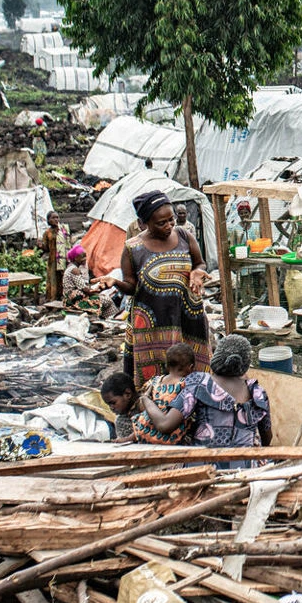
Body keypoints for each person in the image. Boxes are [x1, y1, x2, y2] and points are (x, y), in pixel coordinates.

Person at [111, 190, 211, 385]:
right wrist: (115, 283)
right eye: (161, 223)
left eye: (171, 220)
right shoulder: (133, 248)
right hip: (153, 324)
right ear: (143, 223)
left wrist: (198, 272)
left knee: (194, 374)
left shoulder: (184, 235)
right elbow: (131, 287)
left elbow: (199, 263)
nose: (168, 226)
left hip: (188, 318)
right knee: (155, 376)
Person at [178, 335, 273, 468]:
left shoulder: (199, 383)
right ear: (245, 365)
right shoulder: (257, 393)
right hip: (246, 471)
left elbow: (168, 424)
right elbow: (267, 439)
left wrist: (146, 400)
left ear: (216, 358)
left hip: (202, 469)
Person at [126, 342, 198, 445]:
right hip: (172, 437)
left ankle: (130, 438)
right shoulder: (186, 385)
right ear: (191, 368)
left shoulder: (155, 381)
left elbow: (142, 401)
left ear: (167, 367)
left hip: (146, 431)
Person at [98, 370, 138, 441]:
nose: (111, 408)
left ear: (127, 394)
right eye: (108, 404)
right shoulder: (121, 421)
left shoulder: (147, 405)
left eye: (113, 403)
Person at [41, 211, 66, 302]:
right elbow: (46, 248)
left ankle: (63, 297)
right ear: (48, 220)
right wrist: (41, 246)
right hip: (53, 260)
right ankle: (52, 298)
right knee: (53, 278)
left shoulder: (63, 230)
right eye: (53, 218)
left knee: (62, 278)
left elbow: (68, 244)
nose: (56, 219)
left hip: (62, 258)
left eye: (57, 217)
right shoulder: (47, 233)